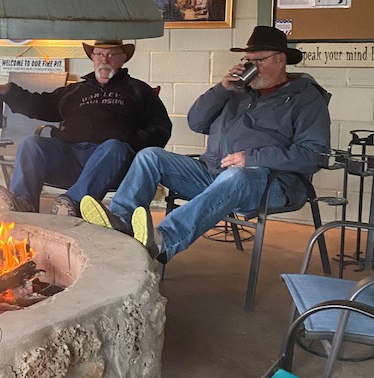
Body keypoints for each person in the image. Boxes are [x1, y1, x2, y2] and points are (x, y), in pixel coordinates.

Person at [80, 26, 330, 263]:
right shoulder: (238, 91)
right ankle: (120, 223)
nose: (250, 67)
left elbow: (314, 155)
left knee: (237, 176)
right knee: (150, 156)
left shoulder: (304, 97)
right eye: (247, 61)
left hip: (269, 183)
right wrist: (222, 89)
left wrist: (251, 158)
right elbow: (196, 122)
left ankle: (164, 239)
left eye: (258, 61)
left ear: (280, 59)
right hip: (211, 172)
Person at [0, 40, 172, 217]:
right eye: (99, 54)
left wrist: (130, 143)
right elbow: (40, 104)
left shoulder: (139, 90)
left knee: (114, 146)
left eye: (112, 55)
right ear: (92, 58)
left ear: (123, 58)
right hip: (69, 156)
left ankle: (73, 204)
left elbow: (161, 127)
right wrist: (10, 92)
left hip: (111, 162)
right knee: (31, 143)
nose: (104, 60)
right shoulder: (75, 90)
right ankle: (23, 203)